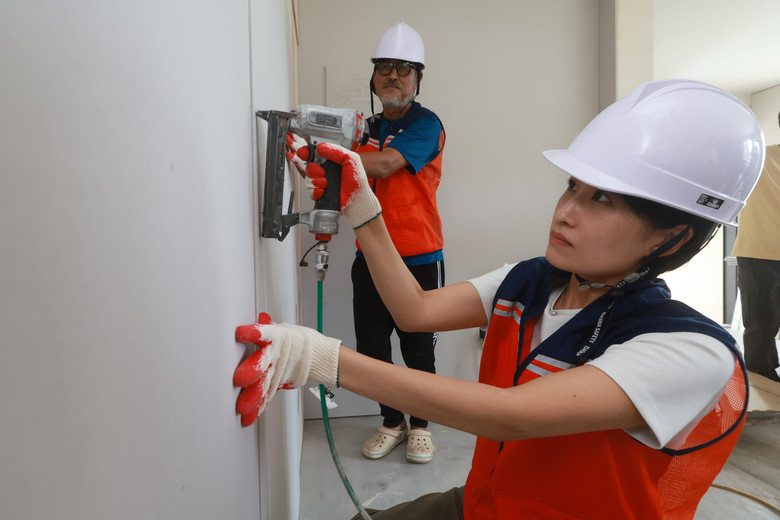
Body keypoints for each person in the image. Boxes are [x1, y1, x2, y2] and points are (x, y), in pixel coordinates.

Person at [234, 80, 765, 519]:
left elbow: (511, 416)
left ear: (670, 237)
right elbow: (415, 311)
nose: (565, 212)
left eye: (602, 198)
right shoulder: (530, 282)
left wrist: (319, 359)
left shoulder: (690, 349)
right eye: (572, 186)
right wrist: (362, 209)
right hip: (487, 503)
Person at [290, 22, 446, 464]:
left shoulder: (427, 125)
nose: (393, 76)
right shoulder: (364, 127)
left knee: (418, 348)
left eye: (403, 68)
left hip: (418, 257)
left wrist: (320, 153)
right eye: (384, 68)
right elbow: (339, 168)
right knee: (374, 348)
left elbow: (385, 164)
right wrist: (306, 158)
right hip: (370, 255)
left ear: (418, 78)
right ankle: (392, 422)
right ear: (374, 78)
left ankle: (421, 426)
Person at [732, 115, 780, 383]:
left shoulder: (756, 158)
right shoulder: (756, 158)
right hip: (758, 250)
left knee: (761, 319)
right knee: (761, 320)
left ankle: (762, 372)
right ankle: (761, 375)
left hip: (757, 250)